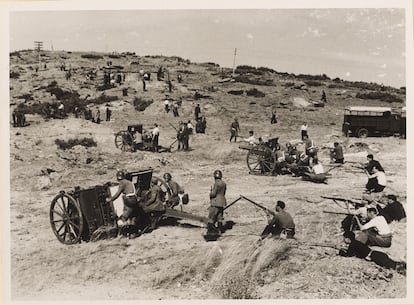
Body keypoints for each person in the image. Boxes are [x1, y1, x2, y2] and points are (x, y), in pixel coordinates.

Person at [339, 231, 406, 275]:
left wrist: (341, 252)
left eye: (344, 238)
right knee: (391, 262)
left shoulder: (352, 245)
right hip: (376, 253)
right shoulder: (356, 242)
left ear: (348, 239)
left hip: (374, 256)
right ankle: (403, 265)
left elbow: (349, 254)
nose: (343, 240)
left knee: (390, 265)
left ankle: (403, 270)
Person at [207, 170, 227, 234]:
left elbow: (214, 194)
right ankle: (220, 231)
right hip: (222, 202)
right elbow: (223, 193)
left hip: (215, 202)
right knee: (220, 218)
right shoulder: (223, 183)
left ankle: (211, 232)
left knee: (211, 218)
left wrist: (210, 193)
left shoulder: (216, 183)